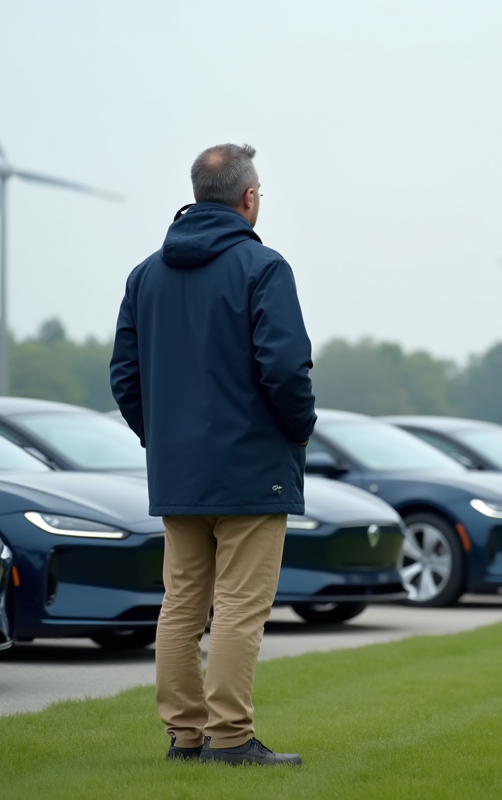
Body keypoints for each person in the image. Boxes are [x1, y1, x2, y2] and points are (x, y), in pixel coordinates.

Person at [110, 143, 315, 767]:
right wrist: (298, 430)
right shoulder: (263, 267)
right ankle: (230, 738)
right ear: (248, 198)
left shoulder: (145, 274)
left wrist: (163, 440)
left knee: (181, 605)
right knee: (239, 609)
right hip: (252, 474)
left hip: (180, 474)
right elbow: (285, 368)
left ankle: (184, 737)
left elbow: (125, 377)